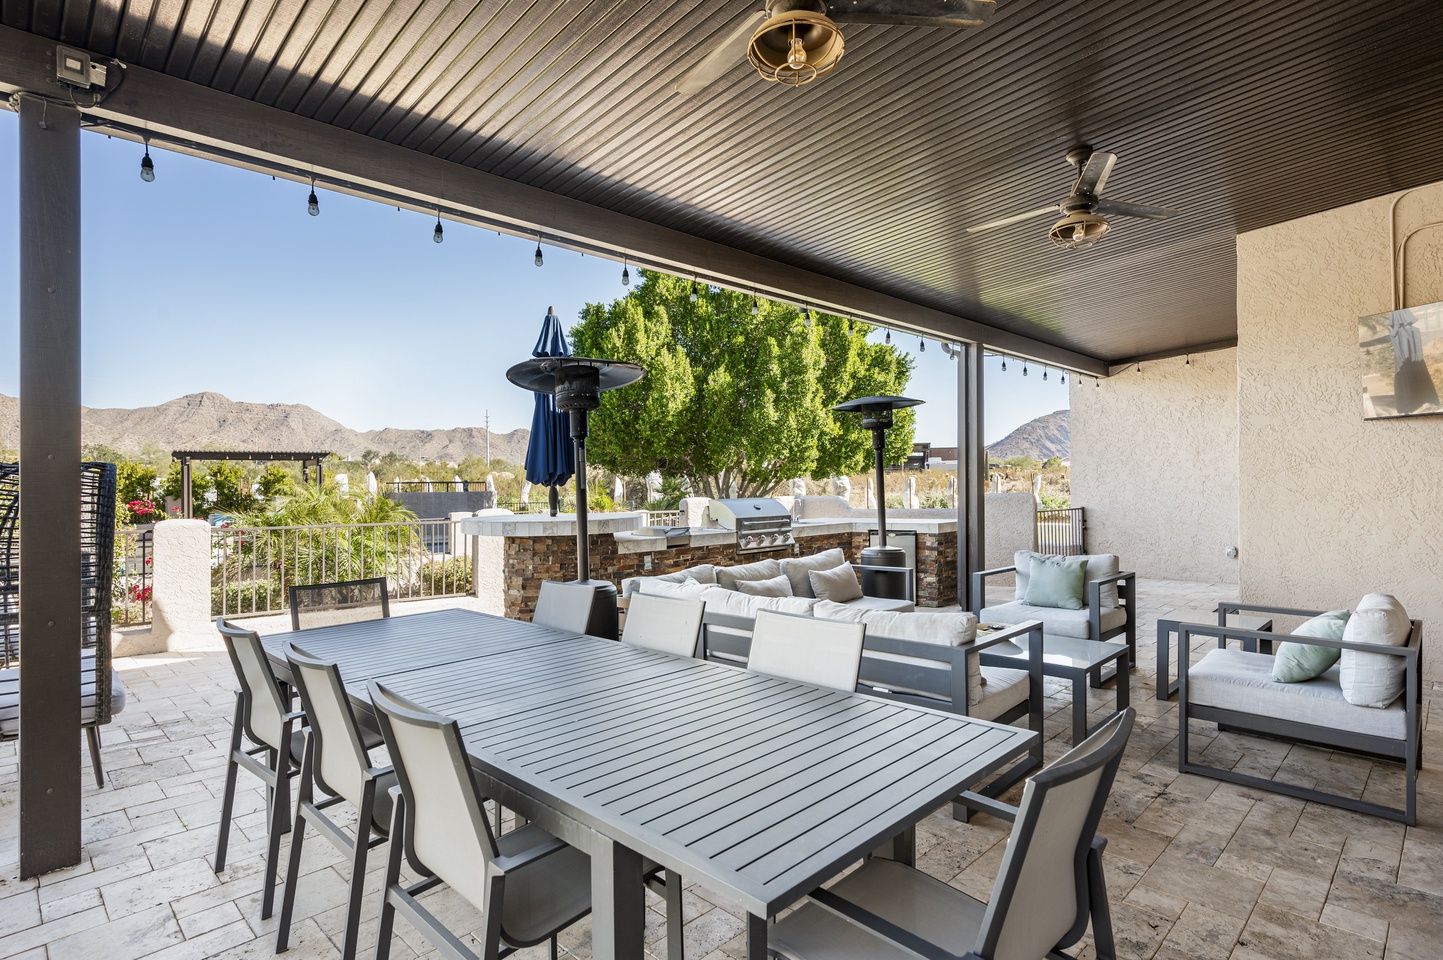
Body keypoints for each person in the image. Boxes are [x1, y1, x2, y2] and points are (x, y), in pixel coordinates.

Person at [1389, 309, 1440, 414]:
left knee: (1406, 378)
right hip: (1414, 362)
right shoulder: (1413, 331)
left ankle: (1412, 403)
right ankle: (1424, 398)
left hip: (1406, 363)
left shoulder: (1398, 333)